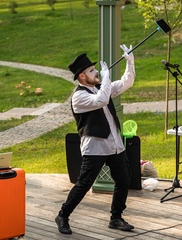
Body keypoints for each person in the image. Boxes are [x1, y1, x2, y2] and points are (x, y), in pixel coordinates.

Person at [55, 44, 135, 235]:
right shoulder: (79, 97)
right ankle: (63, 216)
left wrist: (130, 63)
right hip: (95, 147)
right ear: (82, 76)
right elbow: (101, 100)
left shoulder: (101, 87)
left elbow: (125, 83)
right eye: (92, 70)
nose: (97, 72)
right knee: (83, 184)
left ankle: (116, 218)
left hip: (114, 144)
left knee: (124, 180)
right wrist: (106, 79)